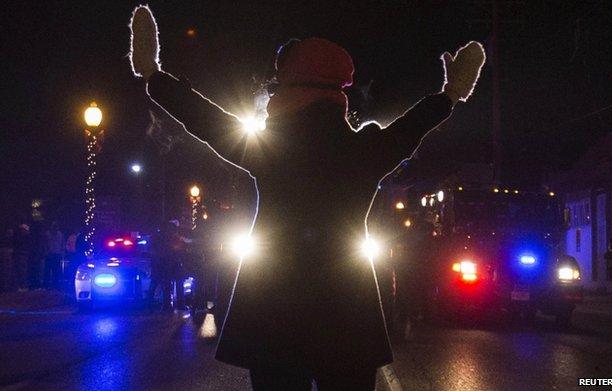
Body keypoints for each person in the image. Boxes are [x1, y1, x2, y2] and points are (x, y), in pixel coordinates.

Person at [130, 6, 485, 389]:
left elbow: (204, 119)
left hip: (273, 300)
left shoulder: (270, 150)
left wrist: (155, 76)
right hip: (347, 301)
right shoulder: (364, 151)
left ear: (291, 90)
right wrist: (449, 95)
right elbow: (411, 128)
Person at [43, 222, 64, 290]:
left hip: (56, 254)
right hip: (50, 254)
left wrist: (61, 252)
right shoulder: (48, 234)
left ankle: (55, 285)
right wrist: (46, 251)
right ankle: (46, 284)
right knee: (48, 270)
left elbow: (62, 244)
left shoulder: (60, 234)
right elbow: (45, 243)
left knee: (56, 270)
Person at [12, 223, 31, 292]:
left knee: (23, 270)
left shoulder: (27, 238)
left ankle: (24, 286)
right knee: (18, 270)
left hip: (24, 255)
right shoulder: (18, 238)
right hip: (19, 254)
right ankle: (19, 286)